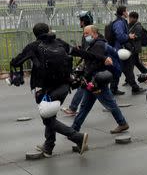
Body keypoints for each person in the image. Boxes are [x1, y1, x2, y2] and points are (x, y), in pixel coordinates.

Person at [10, 23, 89, 157]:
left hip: (45, 89)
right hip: (64, 86)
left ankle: (77, 137)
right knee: (50, 115)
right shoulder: (59, 43)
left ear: (35, 34)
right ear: (48, 31)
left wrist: (14, 62)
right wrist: (102, 58)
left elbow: (17, 62)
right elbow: (78, 52)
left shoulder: (33, 47)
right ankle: (48, 146)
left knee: (47, 119)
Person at [71, 25, 130, 134]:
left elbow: (95, 64)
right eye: (84, 33)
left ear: (94, 33)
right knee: (85, 106)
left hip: (97, 80)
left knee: (110, 104)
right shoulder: (95, 44)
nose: (85, 36)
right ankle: (74, 128)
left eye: (86, 33)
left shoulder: (98, 45)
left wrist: (86, 75)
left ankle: (122, 123)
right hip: (94, 80)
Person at [127, 11, 147, 81]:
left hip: (135, 47)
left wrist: (130, 36)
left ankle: (129, 79)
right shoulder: (133, 25)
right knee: (136, 63)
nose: (129, 19)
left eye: (130, 18)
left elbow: (138, 36)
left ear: (134, 18)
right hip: (133, 47)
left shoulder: (138, 26)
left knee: (131, 64)